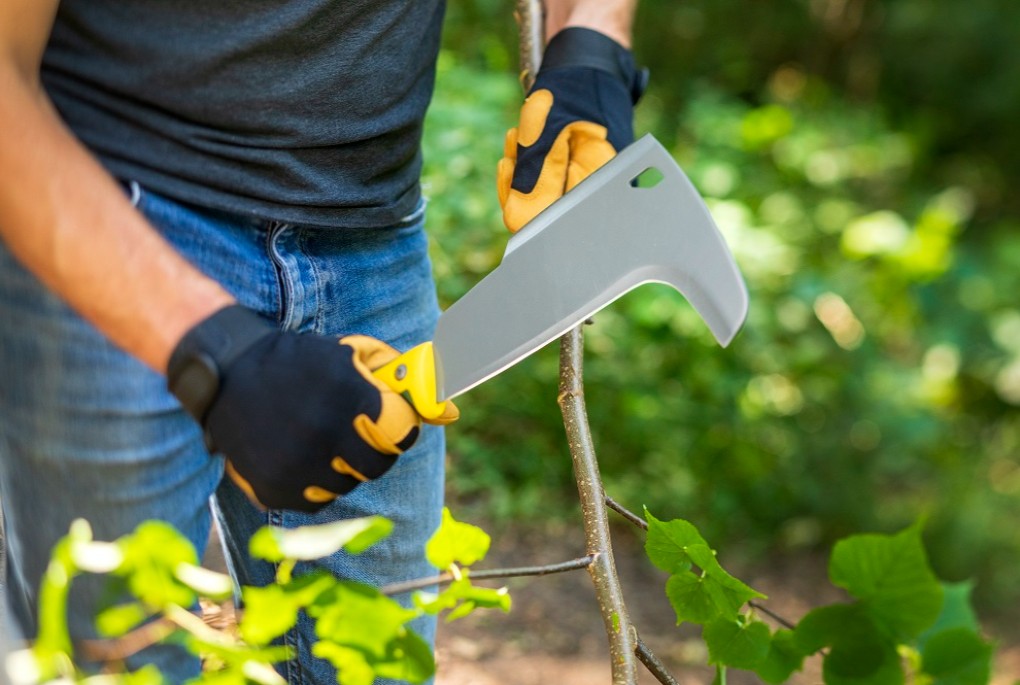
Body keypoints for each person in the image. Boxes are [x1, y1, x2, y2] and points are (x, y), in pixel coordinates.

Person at [0, 0, 643, 682]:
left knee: (377, 668)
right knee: (121, 662)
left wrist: (593, 39)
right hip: (103, 217)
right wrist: (210, 347)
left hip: (373, 232)